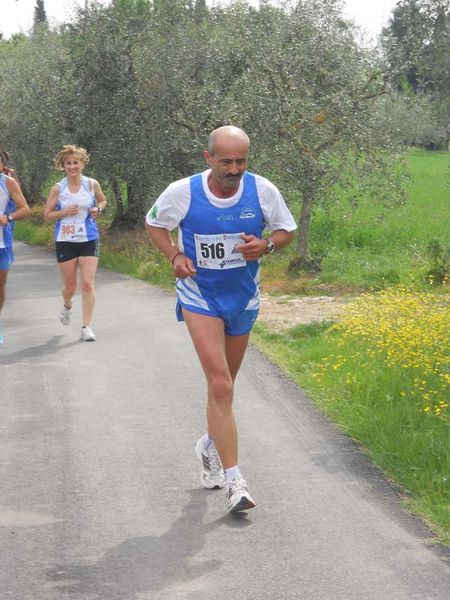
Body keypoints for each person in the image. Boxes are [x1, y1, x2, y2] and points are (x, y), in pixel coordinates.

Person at [145, 126, 296, 513]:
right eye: (226, 160)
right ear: (208, 157)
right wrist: (176, 257)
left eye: (241, 161)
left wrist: (267, 246)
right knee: (220, 384)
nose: (233, 168)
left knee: (225, 387)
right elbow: (155, 223)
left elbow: (286, 230)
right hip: (201, 295)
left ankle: (209, 446)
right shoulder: (182, 192)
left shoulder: (262, 190)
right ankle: (236, 483)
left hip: (243, 298)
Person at [44, 145, 107, 342]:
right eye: (68, 163)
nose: (72, 167)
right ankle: (66, 303)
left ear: (82, 164)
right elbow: (47, 215)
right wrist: (63, 212)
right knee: (70, 287)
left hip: (89, 238)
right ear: (63, 166)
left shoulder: (91, 184)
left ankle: (86, 327)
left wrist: (97, 208)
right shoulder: (58, 188)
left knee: (88, 284)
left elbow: (103, 201)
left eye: (75, 163)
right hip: (65, 240)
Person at [0, 149, 30, 345]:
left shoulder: (8, 182)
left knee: (0, 286)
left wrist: (8, 217)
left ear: (2, 165)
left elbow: (24, 208)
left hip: (2, 242)